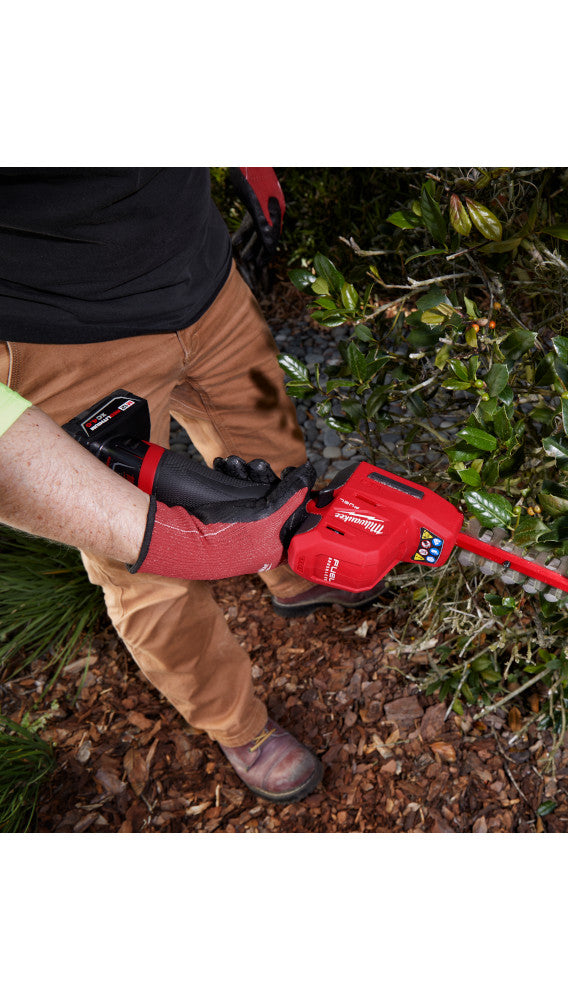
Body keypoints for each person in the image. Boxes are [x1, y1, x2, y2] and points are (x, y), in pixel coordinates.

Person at [0, 168, 379, 804]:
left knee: (276, 462)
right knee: (147, 575)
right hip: (56, 337)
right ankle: (239, 726)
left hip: (205, 277)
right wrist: (180, 543)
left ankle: (293, 575)